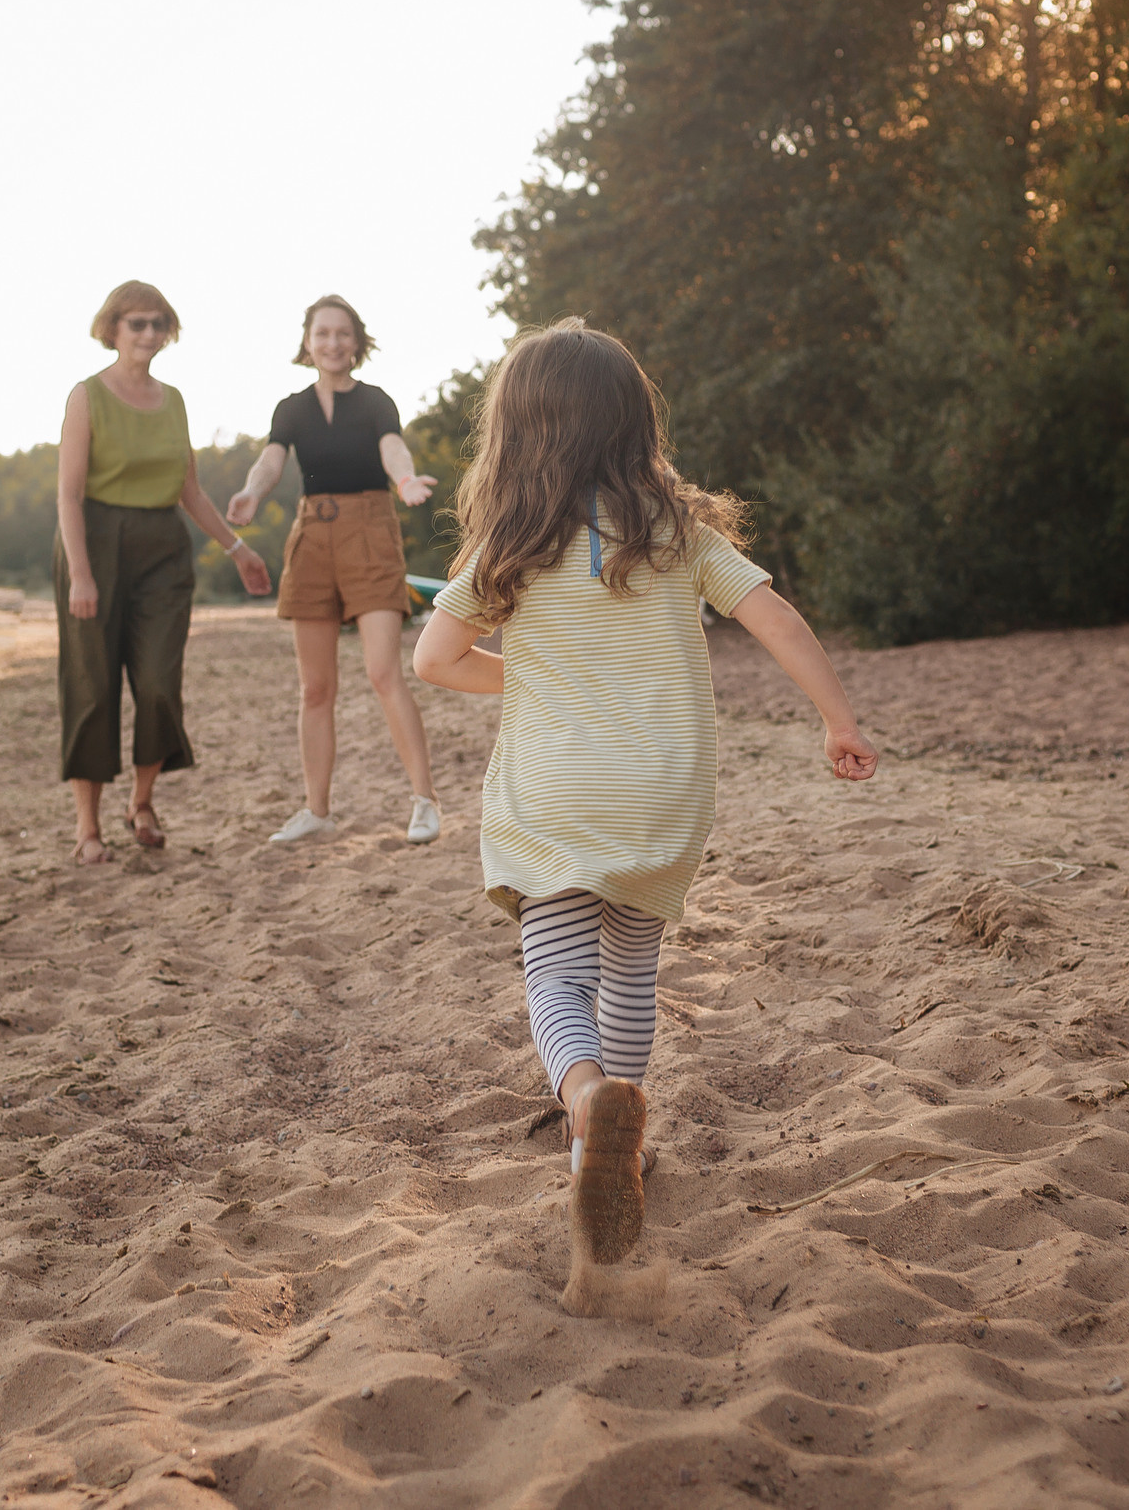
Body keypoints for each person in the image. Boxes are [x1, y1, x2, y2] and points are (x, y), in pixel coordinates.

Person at [412, 319, 877, 1308]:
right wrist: (837, 720)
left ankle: (585, 1103)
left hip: (555, 791)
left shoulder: (513, 543)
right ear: (634, 426)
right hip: (664, 785)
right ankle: (612, 1141)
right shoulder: (681, 537)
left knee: (554, 964)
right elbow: (777, 620)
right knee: (630, 964)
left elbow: (433, 660)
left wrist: (528, 677)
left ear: (518, 433)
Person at [56, 281, 270, 861]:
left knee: (156, 683)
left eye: (157, 324)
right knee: (93, 687)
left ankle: (142, 801)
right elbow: (69, 495)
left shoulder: (173, 400)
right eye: (136, 324)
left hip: (162, 553)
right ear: (113, 330)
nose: (148, 334)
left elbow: (189, 490)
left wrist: (238, 549)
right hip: (95, 546)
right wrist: (80, 573)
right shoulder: (86, 396)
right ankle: (87, 828)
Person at [225, 294, 444, 846]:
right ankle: (316, 811)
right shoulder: (291, 408)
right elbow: (273, 458)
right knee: (315, 688)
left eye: (343, 333)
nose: (332, 343)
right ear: (307, 341)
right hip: (311, 538)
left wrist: (406, 481)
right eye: (322, 333)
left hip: (370, 531)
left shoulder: (375, 402)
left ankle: (424, 801)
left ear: (357, 342)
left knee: (382, 672)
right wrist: (252, 492)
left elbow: (392, 447)